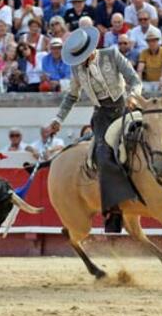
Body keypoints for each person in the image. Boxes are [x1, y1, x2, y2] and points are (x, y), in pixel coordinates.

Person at [47, 25, 142, 233]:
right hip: (102, 116)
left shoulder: (111, 55)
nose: (80, 61)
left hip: (126, 107)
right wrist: (58, 119)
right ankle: (114, 210)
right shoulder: (76, 69)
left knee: (157, 134)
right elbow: (71, 96)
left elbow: (134, 80)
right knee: (102, 156)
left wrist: (134, 96)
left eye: (82, 56)